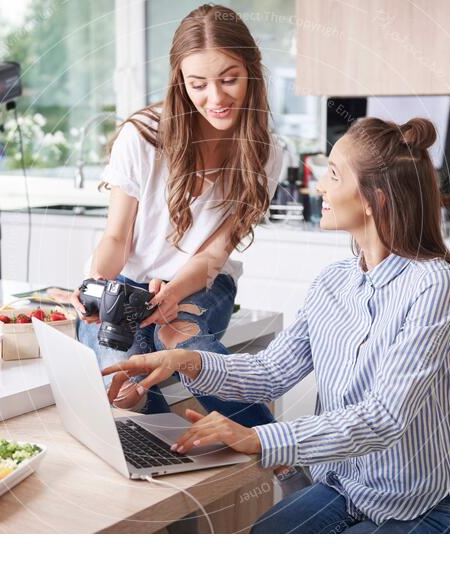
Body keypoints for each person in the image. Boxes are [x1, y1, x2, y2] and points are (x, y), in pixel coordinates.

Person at [103, 117, 450, 534]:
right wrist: (185, 360)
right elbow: (270, 373)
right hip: (349, 489)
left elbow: (385, 417)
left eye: (334, 174)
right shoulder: (334, 281)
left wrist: (260, 439)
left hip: (431, 507)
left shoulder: (433, 285)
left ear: (374, 199)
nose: (320, 186)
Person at [72, 4, 282, 428]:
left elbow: (213, 256)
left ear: (252, 73)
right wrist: (95, 285)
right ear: (180, 82)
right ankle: (165, 452)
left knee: (182, 340)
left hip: (205, 282)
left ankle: (276, 447)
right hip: (129, 281)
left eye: (229, 79)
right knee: (122, 382)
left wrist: (171, 297)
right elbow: (117, 239)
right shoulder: (144, 136)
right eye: (198, 84)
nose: (216, 98)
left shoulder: (266, 152)